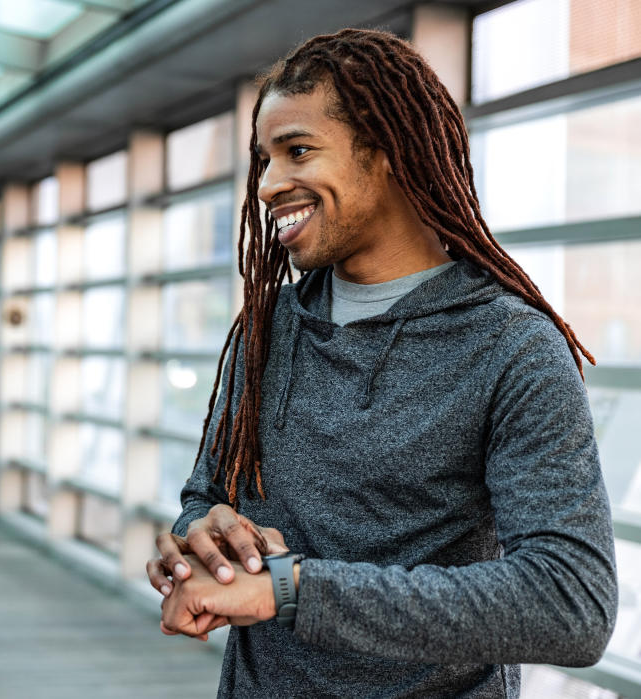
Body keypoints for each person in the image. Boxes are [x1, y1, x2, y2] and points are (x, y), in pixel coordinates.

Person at [145, 28, 617, 697]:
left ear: (387, 151)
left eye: (297, 151)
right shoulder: (268, 326)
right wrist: (202, 536)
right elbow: (205, 498)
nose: (270, 184)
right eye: (265, 159)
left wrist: (296, 587)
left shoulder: (511, 346)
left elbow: (571, 602)